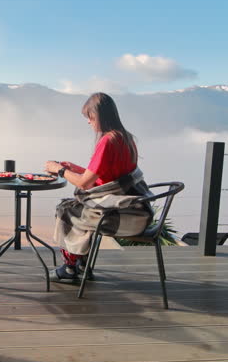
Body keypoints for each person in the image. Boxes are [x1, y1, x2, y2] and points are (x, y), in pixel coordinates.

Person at [44, 92, 153, 282]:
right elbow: (107, 176)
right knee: (78, 208)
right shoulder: (126, 138)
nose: (89, 122)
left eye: (90, 117)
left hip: (119, 215)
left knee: (67, 210)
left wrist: (59, 170)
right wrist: (75, 169)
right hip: (133, 207)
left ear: (100, 116)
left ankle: (70, 268)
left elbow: (85, 183)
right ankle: (83, 265)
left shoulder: (108, 141)